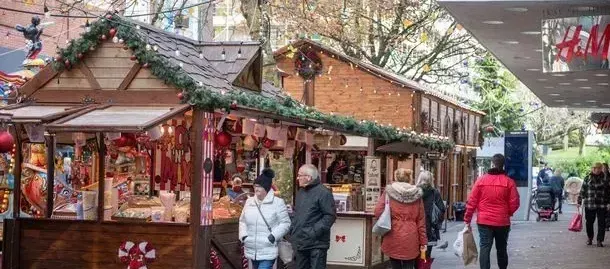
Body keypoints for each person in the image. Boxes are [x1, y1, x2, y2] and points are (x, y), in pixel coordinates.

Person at [464, 154, 520, 269]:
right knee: (502, 248)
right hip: (502, 221)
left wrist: (467, 219)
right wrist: (507, 213)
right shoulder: (509, 182)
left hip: (484, 221)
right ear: (503, 165)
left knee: (485, 247)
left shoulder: (481, 180)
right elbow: (515, 203)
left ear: (492, 164)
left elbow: (472, 201)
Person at [374, 168, 427, 269]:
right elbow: (421, 221)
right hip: (411, 236)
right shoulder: (417, 195)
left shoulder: (389, 192)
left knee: (395, 264)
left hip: (393, 233)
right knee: (409, 265)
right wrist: (423, 242)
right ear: (409, 179)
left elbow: (378, 212)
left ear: (396, 177)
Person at [239, 168, 291, 269]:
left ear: (266, 188)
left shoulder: (278, 203)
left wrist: (273, 236)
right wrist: (243, 235)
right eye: (255, 186)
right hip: (251, 248)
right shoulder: (249, 202)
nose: (256, 189)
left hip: (268, 248)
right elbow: (242, 221)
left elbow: (285, 223)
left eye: (259, 186)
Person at [290, 164, 336, 269]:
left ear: (309, 177)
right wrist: (293, 229)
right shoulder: (301, 192)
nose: (297, 178)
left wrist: (313, 232)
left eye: (300, 175)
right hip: (301, 242)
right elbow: (297, 213)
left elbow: (330, 216)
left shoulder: (324, 193)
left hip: (317, 244)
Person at [578, 162, 610, 247]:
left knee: (602, 223)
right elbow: (583, 190)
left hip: (602, 204)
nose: (596, 170)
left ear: (601, 169)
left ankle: (600, 240)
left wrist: (609, 203)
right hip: (590, 204)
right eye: (594, 168)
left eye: (599, 168)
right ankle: (590, 238)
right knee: (589, 222)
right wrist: (579, 201)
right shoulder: (587, 178)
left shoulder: (606, 179)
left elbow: (609, 192)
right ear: (592, 169)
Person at [416, 170, 445, 259]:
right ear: (431, 180)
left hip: (415, 227)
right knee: (425, 255)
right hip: (429, 228)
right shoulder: (434, 192)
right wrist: (437, 223)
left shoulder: (414, 191)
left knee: (414, 254)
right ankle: (423, 263)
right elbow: (441, 209)